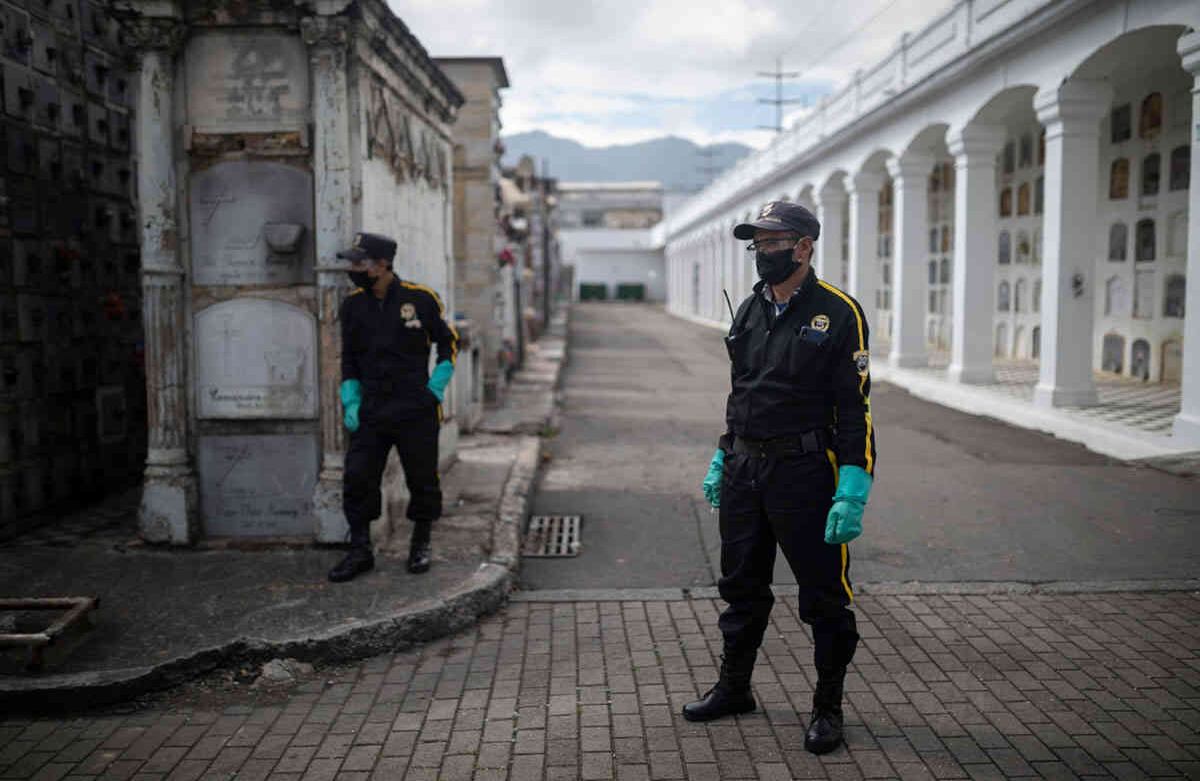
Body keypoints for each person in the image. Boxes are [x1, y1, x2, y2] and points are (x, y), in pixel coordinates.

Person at [683, 201, 877, 756]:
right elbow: (740, 391)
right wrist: (725, 454)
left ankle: (827, 708)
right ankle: (735, 688)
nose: (761, 252)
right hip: (746, 469)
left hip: (805, 473)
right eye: (756, 243)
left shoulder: (839, 313)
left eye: (771, 242)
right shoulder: (749, 309)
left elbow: (854, 407)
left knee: (823, 596)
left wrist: (854, 482)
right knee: (741, 586)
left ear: (804, 246)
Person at [328, 232, 458, 583]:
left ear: (382, 263)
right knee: (358, 476)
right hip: (372, 407)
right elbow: (350, 358)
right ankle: (359, 550)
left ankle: (420, 542)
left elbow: (448, 342)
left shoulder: (421, 298)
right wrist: (351, 399)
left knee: (422, 477)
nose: (353, 268)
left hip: (416, 406)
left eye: (359, 261)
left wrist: (436, 386)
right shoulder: (353, 305)